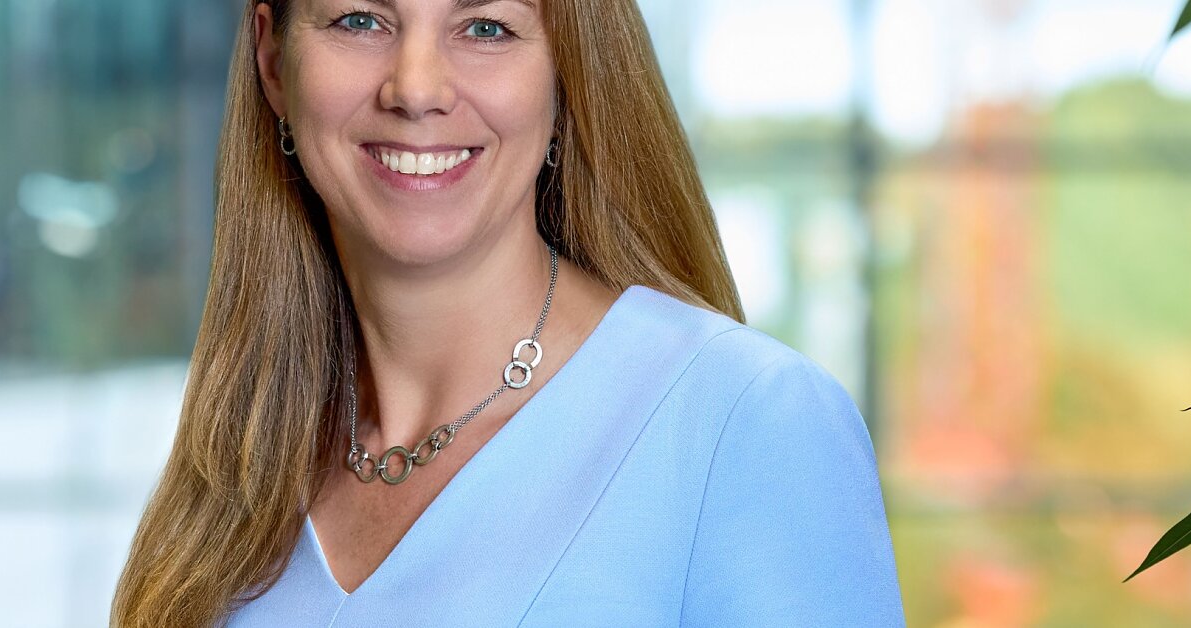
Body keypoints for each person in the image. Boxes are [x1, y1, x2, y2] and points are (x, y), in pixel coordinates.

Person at [110, 0, 904, 625]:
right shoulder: (239, 462)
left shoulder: (745, 420)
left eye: (486, 27)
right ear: (273, 60)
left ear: (569, 75)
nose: (416, 87)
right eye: (360, 20)